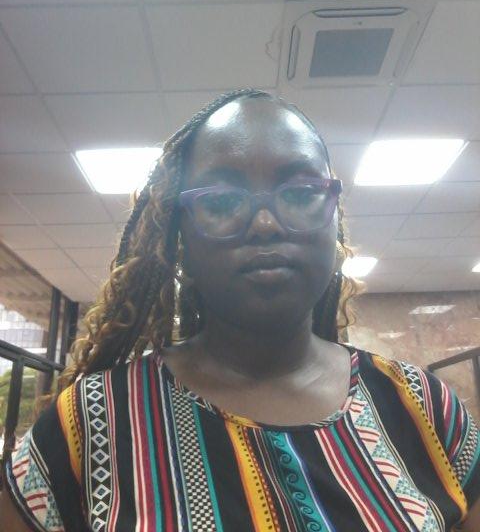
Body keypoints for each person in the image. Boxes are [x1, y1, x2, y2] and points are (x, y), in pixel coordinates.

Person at [1, 89, 479, 531]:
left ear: (334, 222)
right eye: (222, 200)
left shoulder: (422, 406)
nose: (265, 224)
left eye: (300, 192)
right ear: (181, 239)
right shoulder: (89, 422)